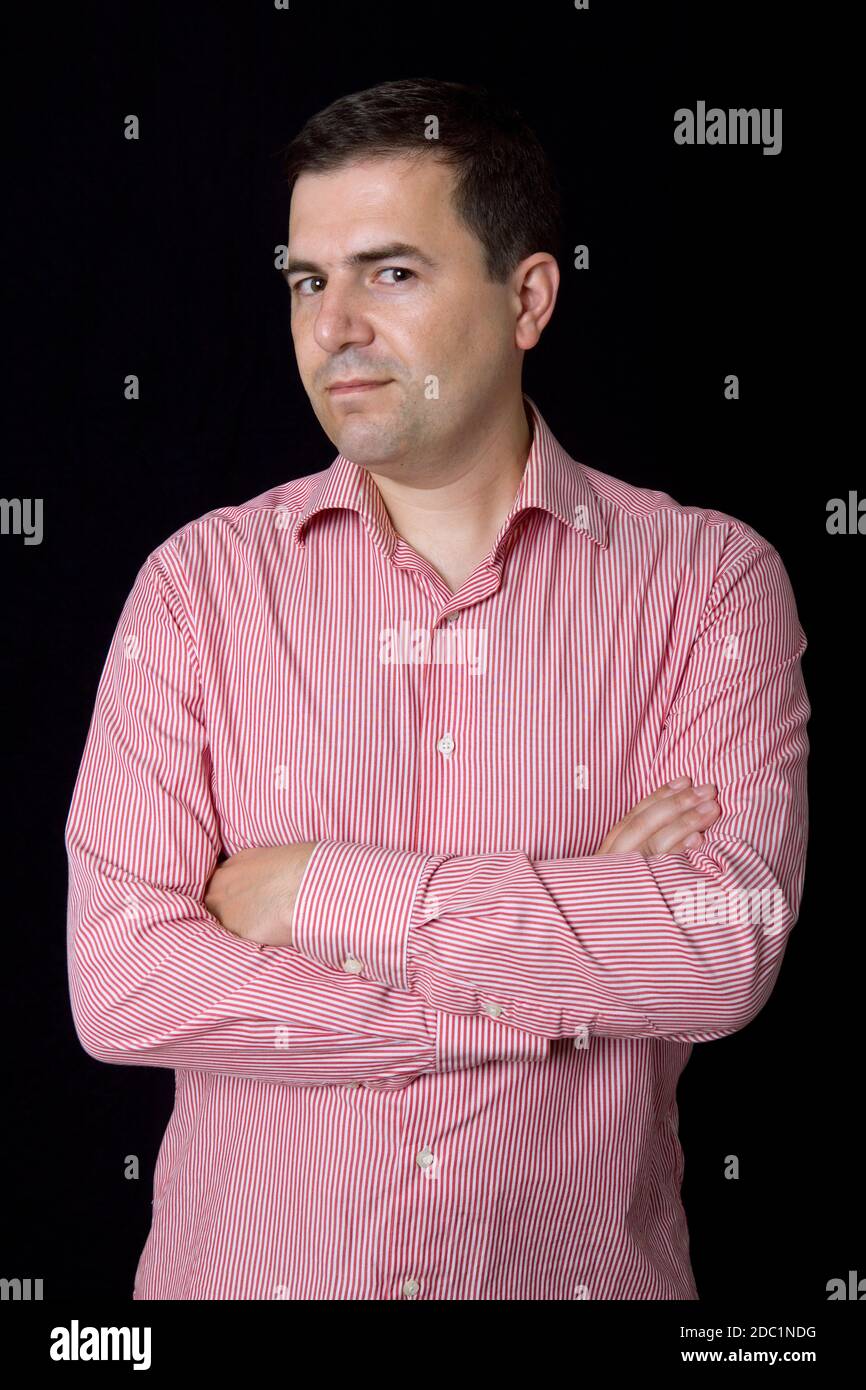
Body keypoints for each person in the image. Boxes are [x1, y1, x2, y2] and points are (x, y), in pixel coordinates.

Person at [65, 77, 810, 1300]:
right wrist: (560, 981)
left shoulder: (708, 581)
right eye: (309, 281)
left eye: (390, 273)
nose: (333, 325)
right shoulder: (196, 586)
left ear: (527, 298)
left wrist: (317, 890)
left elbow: (723, 945)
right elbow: (122, 985)